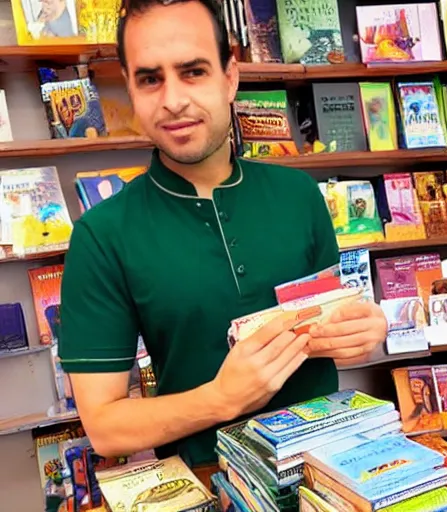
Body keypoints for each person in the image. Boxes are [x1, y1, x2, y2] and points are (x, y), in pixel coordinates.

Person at [58, 0, 388, 483]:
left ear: (230, 78)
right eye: (150, 78)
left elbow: (334, 330)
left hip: (330, 473)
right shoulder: (102, 235)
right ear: (130, 88)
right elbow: (105, 428)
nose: (172, 99)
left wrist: (363, 332)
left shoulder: (299, 196)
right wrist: (222, 399)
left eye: (193, 71)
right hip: (209, 481)